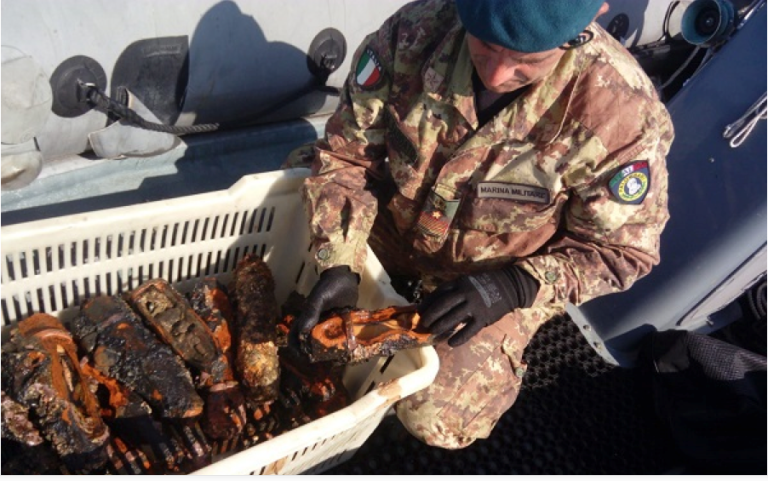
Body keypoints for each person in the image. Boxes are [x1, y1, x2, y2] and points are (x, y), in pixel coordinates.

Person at [283, 0, 674, 449]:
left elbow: (621, 250)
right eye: (485, 46)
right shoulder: (414, 33)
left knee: (441, 417)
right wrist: (339, 260)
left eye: (527, 61)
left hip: (491, 278)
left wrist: (513, 287)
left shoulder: (621, 113)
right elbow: (346, 156)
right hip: (387, 227)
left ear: (584, 27)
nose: (497, 75)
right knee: (297, 183)